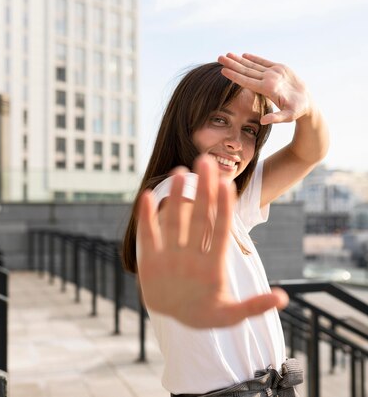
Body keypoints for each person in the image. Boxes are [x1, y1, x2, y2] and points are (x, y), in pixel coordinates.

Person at [122, 52, 329, 396]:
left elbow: (307, 153)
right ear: (184, 122)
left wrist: (307, 108)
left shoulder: (230, 200)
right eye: (219, 120)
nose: (236, 142)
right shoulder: (181, 189)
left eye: (249, 129)